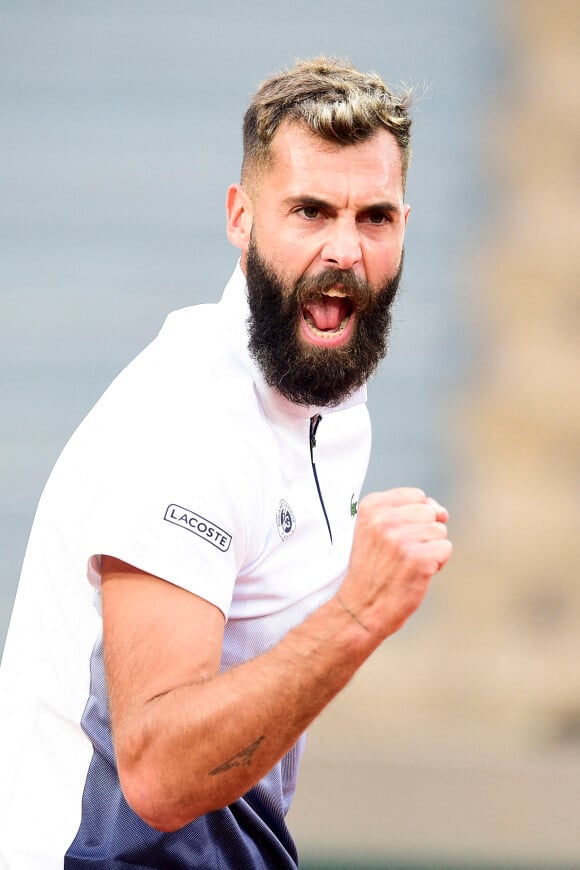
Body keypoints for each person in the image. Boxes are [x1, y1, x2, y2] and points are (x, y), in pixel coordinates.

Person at [0, 57, 452, 869]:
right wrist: (359, 615)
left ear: (405, 226)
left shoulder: (332, 394)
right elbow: (157, 772)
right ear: (241, 217)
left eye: (374, 217)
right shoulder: (190, 420)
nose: (344, 250)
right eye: (310, 210)